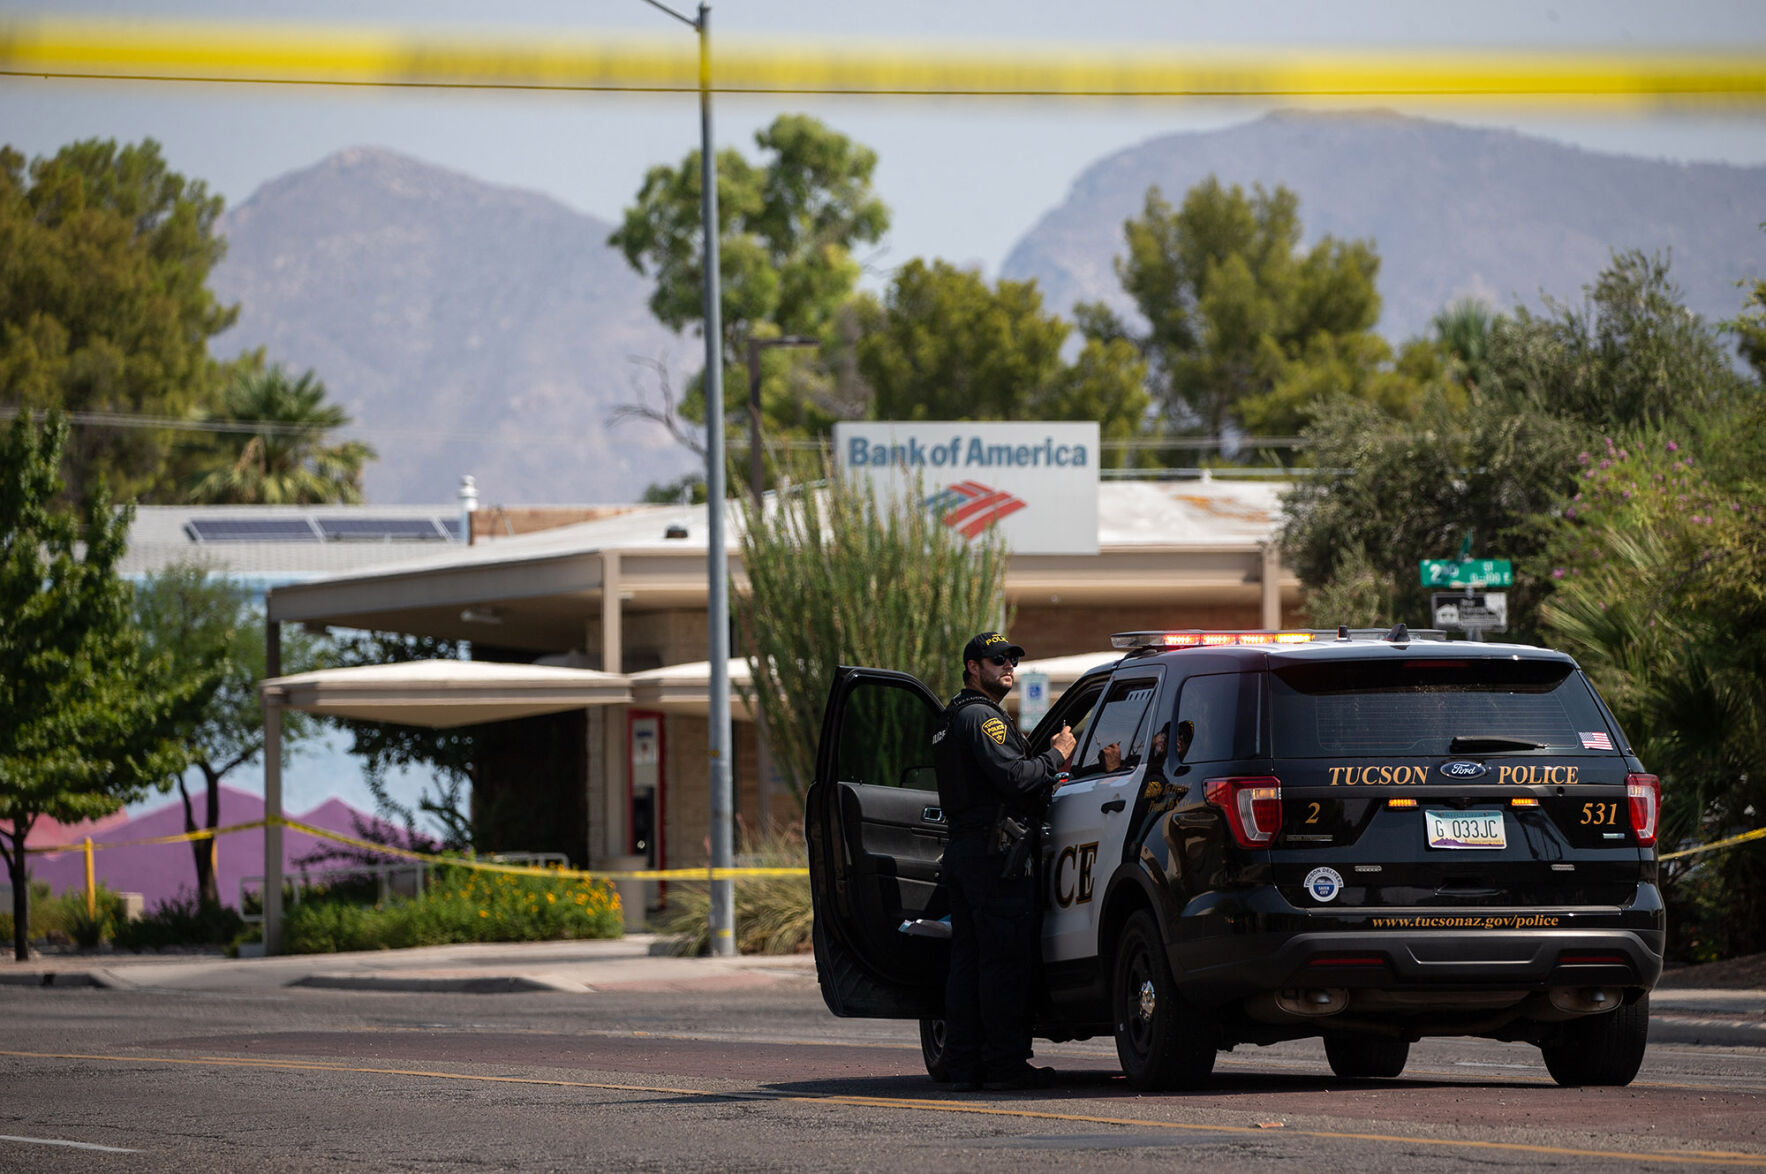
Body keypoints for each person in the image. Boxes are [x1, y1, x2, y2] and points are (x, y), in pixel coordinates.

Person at [932, 630, 1077, 1091]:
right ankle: (1005, 1065)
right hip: (994, 856)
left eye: (1011, 659)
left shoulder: (953, 716)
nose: (1007, 667)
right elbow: (1015, 777)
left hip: (966, 850)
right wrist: (1058, 754)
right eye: (997, 660)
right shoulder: (982, 718)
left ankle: (964, 1066)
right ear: (973, 667)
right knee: (1003, 963)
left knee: (969, 963)